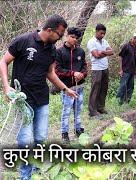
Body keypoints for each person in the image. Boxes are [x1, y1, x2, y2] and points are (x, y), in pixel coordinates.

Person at [0, 14, 78, 180]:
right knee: (25, 140)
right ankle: (25, 176)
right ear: (50, 30)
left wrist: (65, 89)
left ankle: (35, 171)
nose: (61, 38)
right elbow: (3, 61)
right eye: (60, 34)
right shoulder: (23, 41)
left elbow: (50, 73)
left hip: (42, 100)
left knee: (41, 138)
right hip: (23, 102)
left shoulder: (51, 50)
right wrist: (7, 87)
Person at [55, 27, 87, 143]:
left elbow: (84, 66)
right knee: (66, 111)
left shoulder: (81, 51)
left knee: (78, 110)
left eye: (76, 38)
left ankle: (78, 130)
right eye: (72, 37)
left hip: (79, 87)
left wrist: (82, 74)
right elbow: (57, 70)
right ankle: (64, 133)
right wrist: (73, 73)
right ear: (67, 36)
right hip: (67, 88)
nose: (74, 39)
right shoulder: (59, 52)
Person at [87, 24, 114, 117]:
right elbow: (96, 55)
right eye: (101, 33)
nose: (102, 35)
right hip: (96, 69)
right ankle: (92, 111)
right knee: (95, 89)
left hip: (105, 68)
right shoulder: (91, 42)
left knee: (104, 88)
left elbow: (112, 52)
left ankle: (100, 107)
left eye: (104, 34)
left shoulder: (104, 41)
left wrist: (102, 52)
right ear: (96, 31)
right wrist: (105, 53)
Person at [117, 33, 136, 105]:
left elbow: (135, 59)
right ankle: (119, 102)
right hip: (125, 70)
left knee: (131, 87)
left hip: (132, 70)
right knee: (123, 86)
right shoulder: (126, 46)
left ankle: (127, 102)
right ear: (134, 39)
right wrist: (121, 69)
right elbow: (120, 57)